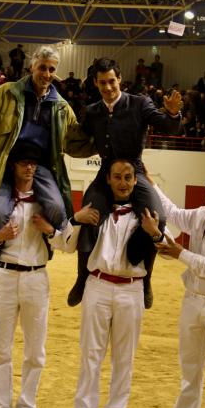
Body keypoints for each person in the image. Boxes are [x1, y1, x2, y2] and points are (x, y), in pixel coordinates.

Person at [37, 159, 165, 408]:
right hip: (97, 286)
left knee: (124, 358)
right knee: (90, 355)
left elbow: (169, 248)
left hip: (132, 289)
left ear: (135, 181)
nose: (122, 183)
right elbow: (64, 245)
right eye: (117, 177)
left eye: (128, 177)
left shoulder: (147, 217)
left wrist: (155, 235)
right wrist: (75, 219)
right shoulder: (95, 212)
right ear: (107, 179)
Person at [0, 141, 98, 408]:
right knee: (0, 350)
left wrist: (52, 231)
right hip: (5, 277)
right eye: (24, 162)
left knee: (35, 351)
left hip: (36, 277)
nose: (30, 167)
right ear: (14, 166)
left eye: (33, 163)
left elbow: (67, 246)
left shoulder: (46, 204)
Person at [64, 57, 182, 308]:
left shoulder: (140, 103)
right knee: (89, 213)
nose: (107, 87)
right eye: (102, 82)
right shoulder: (93, 111)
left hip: (134, 171)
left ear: (119, 80)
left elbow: (168, 127)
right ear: (96, 83)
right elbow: (79, 138)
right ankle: (82, 277)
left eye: (111, 81)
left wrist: (172, 112)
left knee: (157, 217)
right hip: (106, 171)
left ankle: (146, 279)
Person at [0, 45, 79, 267]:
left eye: (52, 69)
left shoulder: (61, 107)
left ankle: (48, 244)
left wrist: (103, 140)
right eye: (42, 67)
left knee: (57, 208)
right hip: (3, 164)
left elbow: (75, 142)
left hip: (39, 166)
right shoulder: (5, 93)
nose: (47, 74)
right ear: (32, 66)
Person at [145, 174, 205, 408]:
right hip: (193, 301)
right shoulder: (200, 215)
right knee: (190, 370)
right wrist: (151, 183)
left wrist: (181, 253)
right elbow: (171, 212)